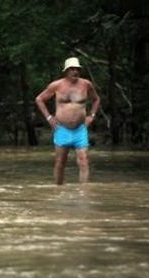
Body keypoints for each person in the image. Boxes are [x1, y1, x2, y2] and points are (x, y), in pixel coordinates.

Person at [35, 57, 100, 185]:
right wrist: (48, 117)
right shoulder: (56, 85)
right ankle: (58, 191)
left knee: (84, 161)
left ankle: (84, 192)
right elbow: (39, 99)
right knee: (60, 162)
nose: (75, 71)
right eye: (71, 69)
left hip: (80, 129)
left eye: (77, 69)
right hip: (62, 129)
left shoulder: (86, 84)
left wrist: (91, 115)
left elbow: (96, 99)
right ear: (66, 71)